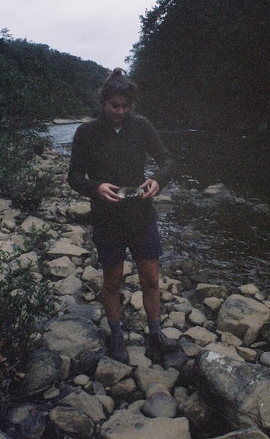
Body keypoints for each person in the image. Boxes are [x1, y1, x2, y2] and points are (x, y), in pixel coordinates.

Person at [67, 68, 178, 364]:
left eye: (125, 106)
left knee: (151, 280)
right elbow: (74, 177)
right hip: (107, 219)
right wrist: (96, 187)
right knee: (112, 282)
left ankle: (155, 335)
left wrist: (157, 180)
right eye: (114, 106)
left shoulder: (141, 126)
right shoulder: (86, 132)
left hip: (142, 216)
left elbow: (167, 160)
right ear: (103, 103)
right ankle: (116, 335)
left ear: (132, 105)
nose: (119, 112)